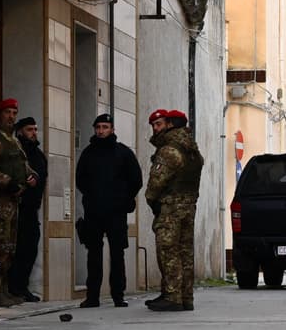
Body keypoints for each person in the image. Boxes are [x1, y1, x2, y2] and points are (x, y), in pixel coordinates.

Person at [75, 113, 142, 307]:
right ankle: (92, 296)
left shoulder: (123, 153)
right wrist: (93, 195)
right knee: (93, 254)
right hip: (94, 212)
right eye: (98, 127)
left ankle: (118, 295)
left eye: (105, 127)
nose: (101, 131)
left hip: (116, 212)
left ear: (112, 129)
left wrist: (123, 198)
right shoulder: (88, 153)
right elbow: (81, 179)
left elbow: (136, 179)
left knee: (117, 253)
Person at [143, 109, 205, 312]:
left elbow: (156, 182)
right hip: (189, 206)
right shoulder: (193, 150)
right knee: (185, 252)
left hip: (170, 207)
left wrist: (151, 201)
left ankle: (172, 296)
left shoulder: (170, 150)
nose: (156, 128)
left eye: (161, 124)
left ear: (170, 125)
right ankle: (186, 296)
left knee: (168, 250)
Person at [0, 98, 36, 306]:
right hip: (1, 202)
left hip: (14, 202)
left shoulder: (15, 141)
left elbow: (23, 165)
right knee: (0, 246)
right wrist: (6, 181)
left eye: (13, 113)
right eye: (7, 112)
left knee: (10, 248)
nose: (11, 117)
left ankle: (5, 289)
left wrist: (31, 176)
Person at [7, 116, 47, 302]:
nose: (33, 133)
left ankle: (21, 287)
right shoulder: (16, 150)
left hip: (31, 207)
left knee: (30, 247)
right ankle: (12, 287)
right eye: (29, 129)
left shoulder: (37, 154)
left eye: (35, 129)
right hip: (15, 206)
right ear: (21, 131)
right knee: (14, 249)